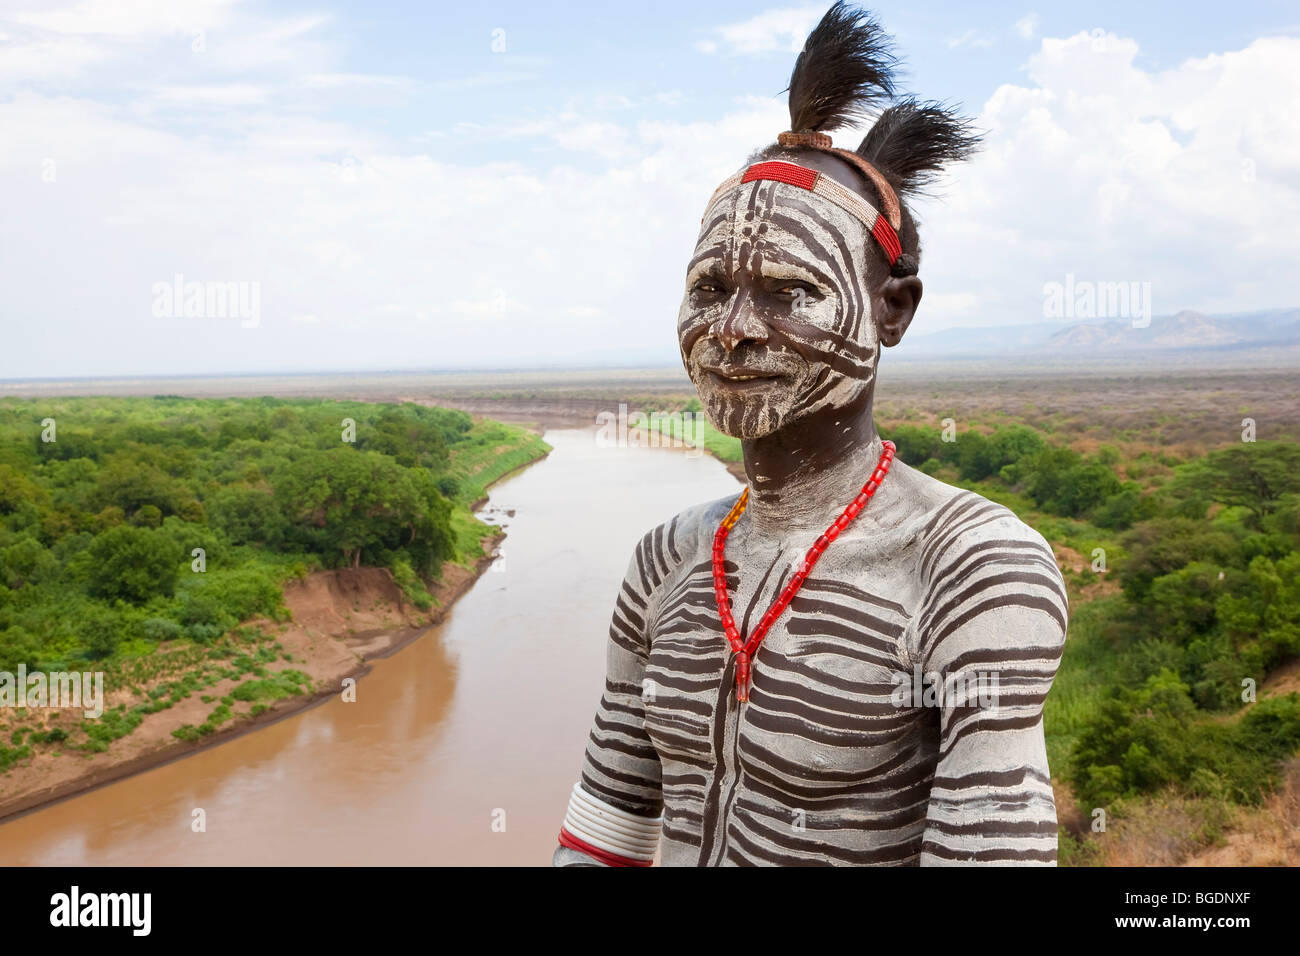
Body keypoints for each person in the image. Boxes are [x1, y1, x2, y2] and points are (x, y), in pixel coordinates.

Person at [553, 2, 1067, 867]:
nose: (732, 331)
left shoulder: (974, 570)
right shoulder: (664, 562)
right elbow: (609, 818)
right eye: (711, 289)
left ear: (891, 312)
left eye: (789, 293)